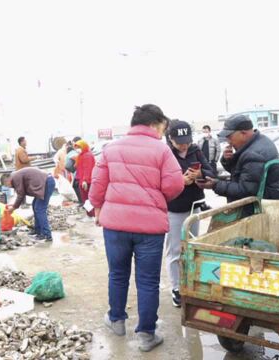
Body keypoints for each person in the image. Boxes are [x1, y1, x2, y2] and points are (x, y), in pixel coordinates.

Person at [89, 104, 184, 353]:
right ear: (154, 124)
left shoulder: (111, 149)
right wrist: (157, 198)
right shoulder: (162, 150)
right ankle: (146, 335)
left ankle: (117, 321)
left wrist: (98, 207)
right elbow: (174, 185)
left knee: (117, 274)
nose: (164, 132)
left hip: (115, 226)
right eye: (163, 127)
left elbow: (97, 185)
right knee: (148, 281)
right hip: (150, 229)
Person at [198, 114, 279, 216]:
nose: (228, 141)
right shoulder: (258, 140)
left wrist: (215, 185)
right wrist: (227, 159)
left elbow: (246, 190)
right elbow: (241, 171)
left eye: (230, 137)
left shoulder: (254, 154)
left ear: (243, 133)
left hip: (265, 209)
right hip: (271, 202)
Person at [165, 120, 215, 308]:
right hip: (175, 207)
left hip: (195, 205)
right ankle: (177, 287)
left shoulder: (196, 150)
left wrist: (199, 176)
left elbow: (211, 171)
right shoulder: (166, 154)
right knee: (175, 249)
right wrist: (180, 181)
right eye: (180, 142)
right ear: (171, 139)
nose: (184, 145)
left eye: (186, 141)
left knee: (192, 246)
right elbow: (161, 181)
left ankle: (191, 282)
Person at [0, 167, 55, 241]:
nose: (9, 187)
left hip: (46, 183)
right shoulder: (15, 176)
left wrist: (13, 208)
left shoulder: (15, 178)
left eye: (7, 185)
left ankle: (46, 235)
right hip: (45, 182)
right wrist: (14, 205)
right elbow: (21, 193)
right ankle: (38, 231)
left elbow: (21, 195)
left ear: (7, 181)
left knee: (39, 209)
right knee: (35, 205)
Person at [74, 139, 96, 217]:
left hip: (86, 181)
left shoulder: (87, 155)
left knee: (87, 199)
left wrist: (85, 181)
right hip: (82, 180)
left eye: (78, 147)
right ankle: (90, 215)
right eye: (76, 148)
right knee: (85, 199)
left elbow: (87, 169)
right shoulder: (81, 155)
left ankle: (91, 215)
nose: (77, 149)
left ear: (83, 146)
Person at [65, 136, 83, 205]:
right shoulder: (76, 150)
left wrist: (76, 165)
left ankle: (82, 202)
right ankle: (81, 201)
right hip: (77, 172)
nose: (73, 144)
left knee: (77, 186)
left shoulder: (77, 151)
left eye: (74, 143)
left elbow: (77, 159)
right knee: (76, 186)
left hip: (79, 172)